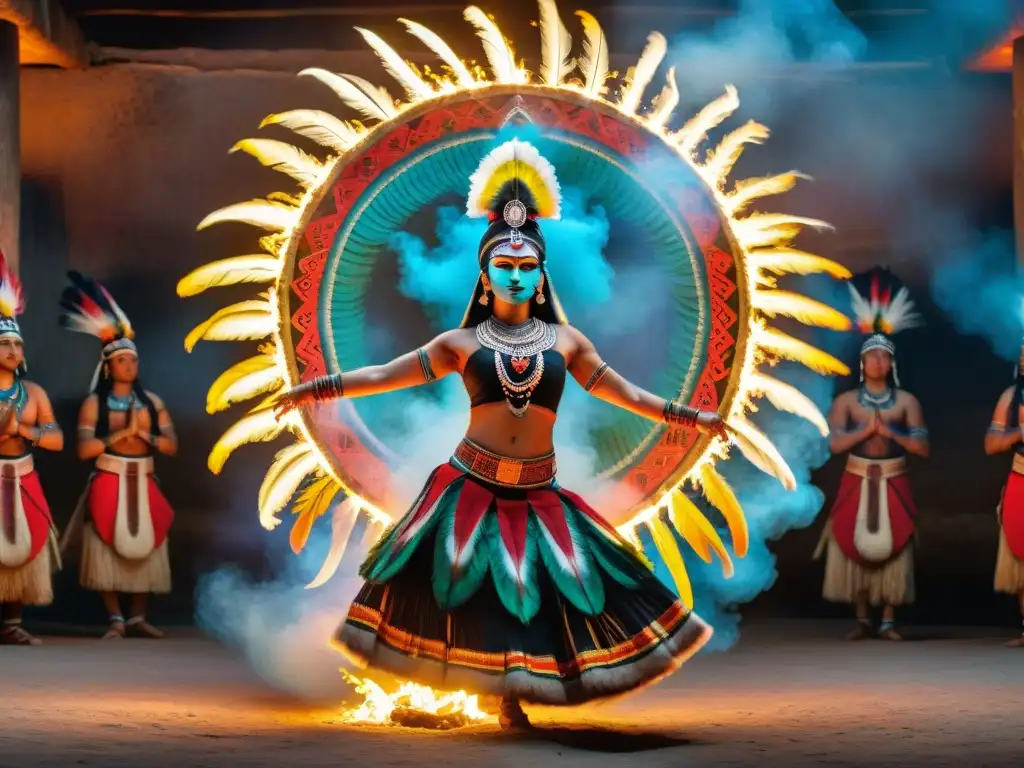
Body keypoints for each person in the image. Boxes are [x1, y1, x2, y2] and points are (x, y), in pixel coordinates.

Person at [273, 139, 729, 729]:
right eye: (503, 267)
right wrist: (314, 389)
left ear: (541, 276)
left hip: (541, 491)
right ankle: (494, 697)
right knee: (474, 590)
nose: (515, 276)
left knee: (542, 592)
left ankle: (512, 697)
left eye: (526, 267)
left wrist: (695, 418)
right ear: (485, 276)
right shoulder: (460, 345)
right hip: (472, 483)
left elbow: (632, 396)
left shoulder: (568, 344)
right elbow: (386, 375)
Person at [58, 272, 177, 640]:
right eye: (122, 361)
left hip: (143, 477)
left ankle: (137, 617)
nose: (129, 366)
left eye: (132, 360)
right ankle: (114, 618)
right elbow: (84, 450)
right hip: (109, 476)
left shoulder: (152, 403)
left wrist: (148, 437)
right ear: (108, 366)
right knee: (105, 543)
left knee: (149, 542)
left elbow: (171, 445)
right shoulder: (95, 404)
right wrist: (120, 435)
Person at [816, 268, 928, 641]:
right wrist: (865, 431)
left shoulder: (907, 401)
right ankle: (862, 617)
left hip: (893, 476)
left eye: (884, 357)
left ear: (891, 363)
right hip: (856, 477)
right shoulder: (847, 402)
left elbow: (922, 447)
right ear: (862, 363)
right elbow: (833, 445)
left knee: (895, 544)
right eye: (872, 356)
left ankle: (889, 618)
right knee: (851, 540)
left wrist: (891, 431)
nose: (878, 362)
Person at [0, 253, 64, 645]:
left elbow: (56, 439)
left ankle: (11, 622)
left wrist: (21, 427)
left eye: (15, 344)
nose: (11, 350)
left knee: (25, 546)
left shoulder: (34, 394)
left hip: (22, 475)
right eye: (3, 343)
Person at [984, 342, 1024, 647]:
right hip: (1020, 479)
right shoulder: (1011, 399)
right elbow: (991, 444)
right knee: (1021, 558)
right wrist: (1020, 433)